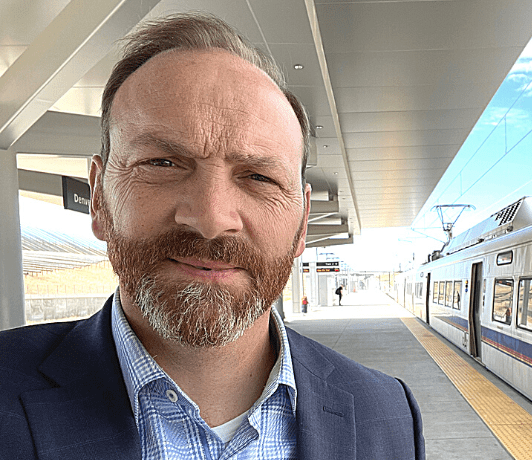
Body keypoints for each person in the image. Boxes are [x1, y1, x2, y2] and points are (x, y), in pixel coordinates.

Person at [0, 13, 424, 460]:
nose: (210, 219)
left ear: (301, 224)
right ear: (99, 199)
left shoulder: (387, 413)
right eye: (163, 163)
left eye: (259, 176)